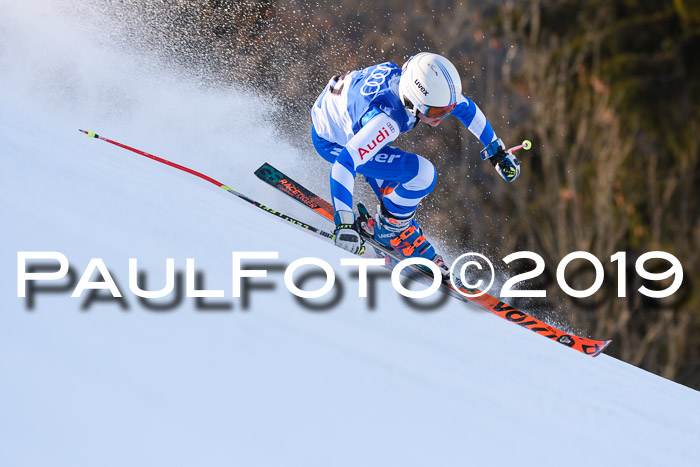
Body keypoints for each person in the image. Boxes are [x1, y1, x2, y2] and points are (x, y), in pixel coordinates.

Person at [310, 52, 520, 274]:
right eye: (436, 111)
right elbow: (344, 164)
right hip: (334, 143)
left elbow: (466, 108)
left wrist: (496, 150)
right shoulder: (386, 120)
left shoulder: (416, 87)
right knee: (422, 174)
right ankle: (390, 232)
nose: (442, 117)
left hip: (343, 122)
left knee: (397, 193)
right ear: (412, 102)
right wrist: (343, 222)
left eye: (447, 110)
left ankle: (394, 223)